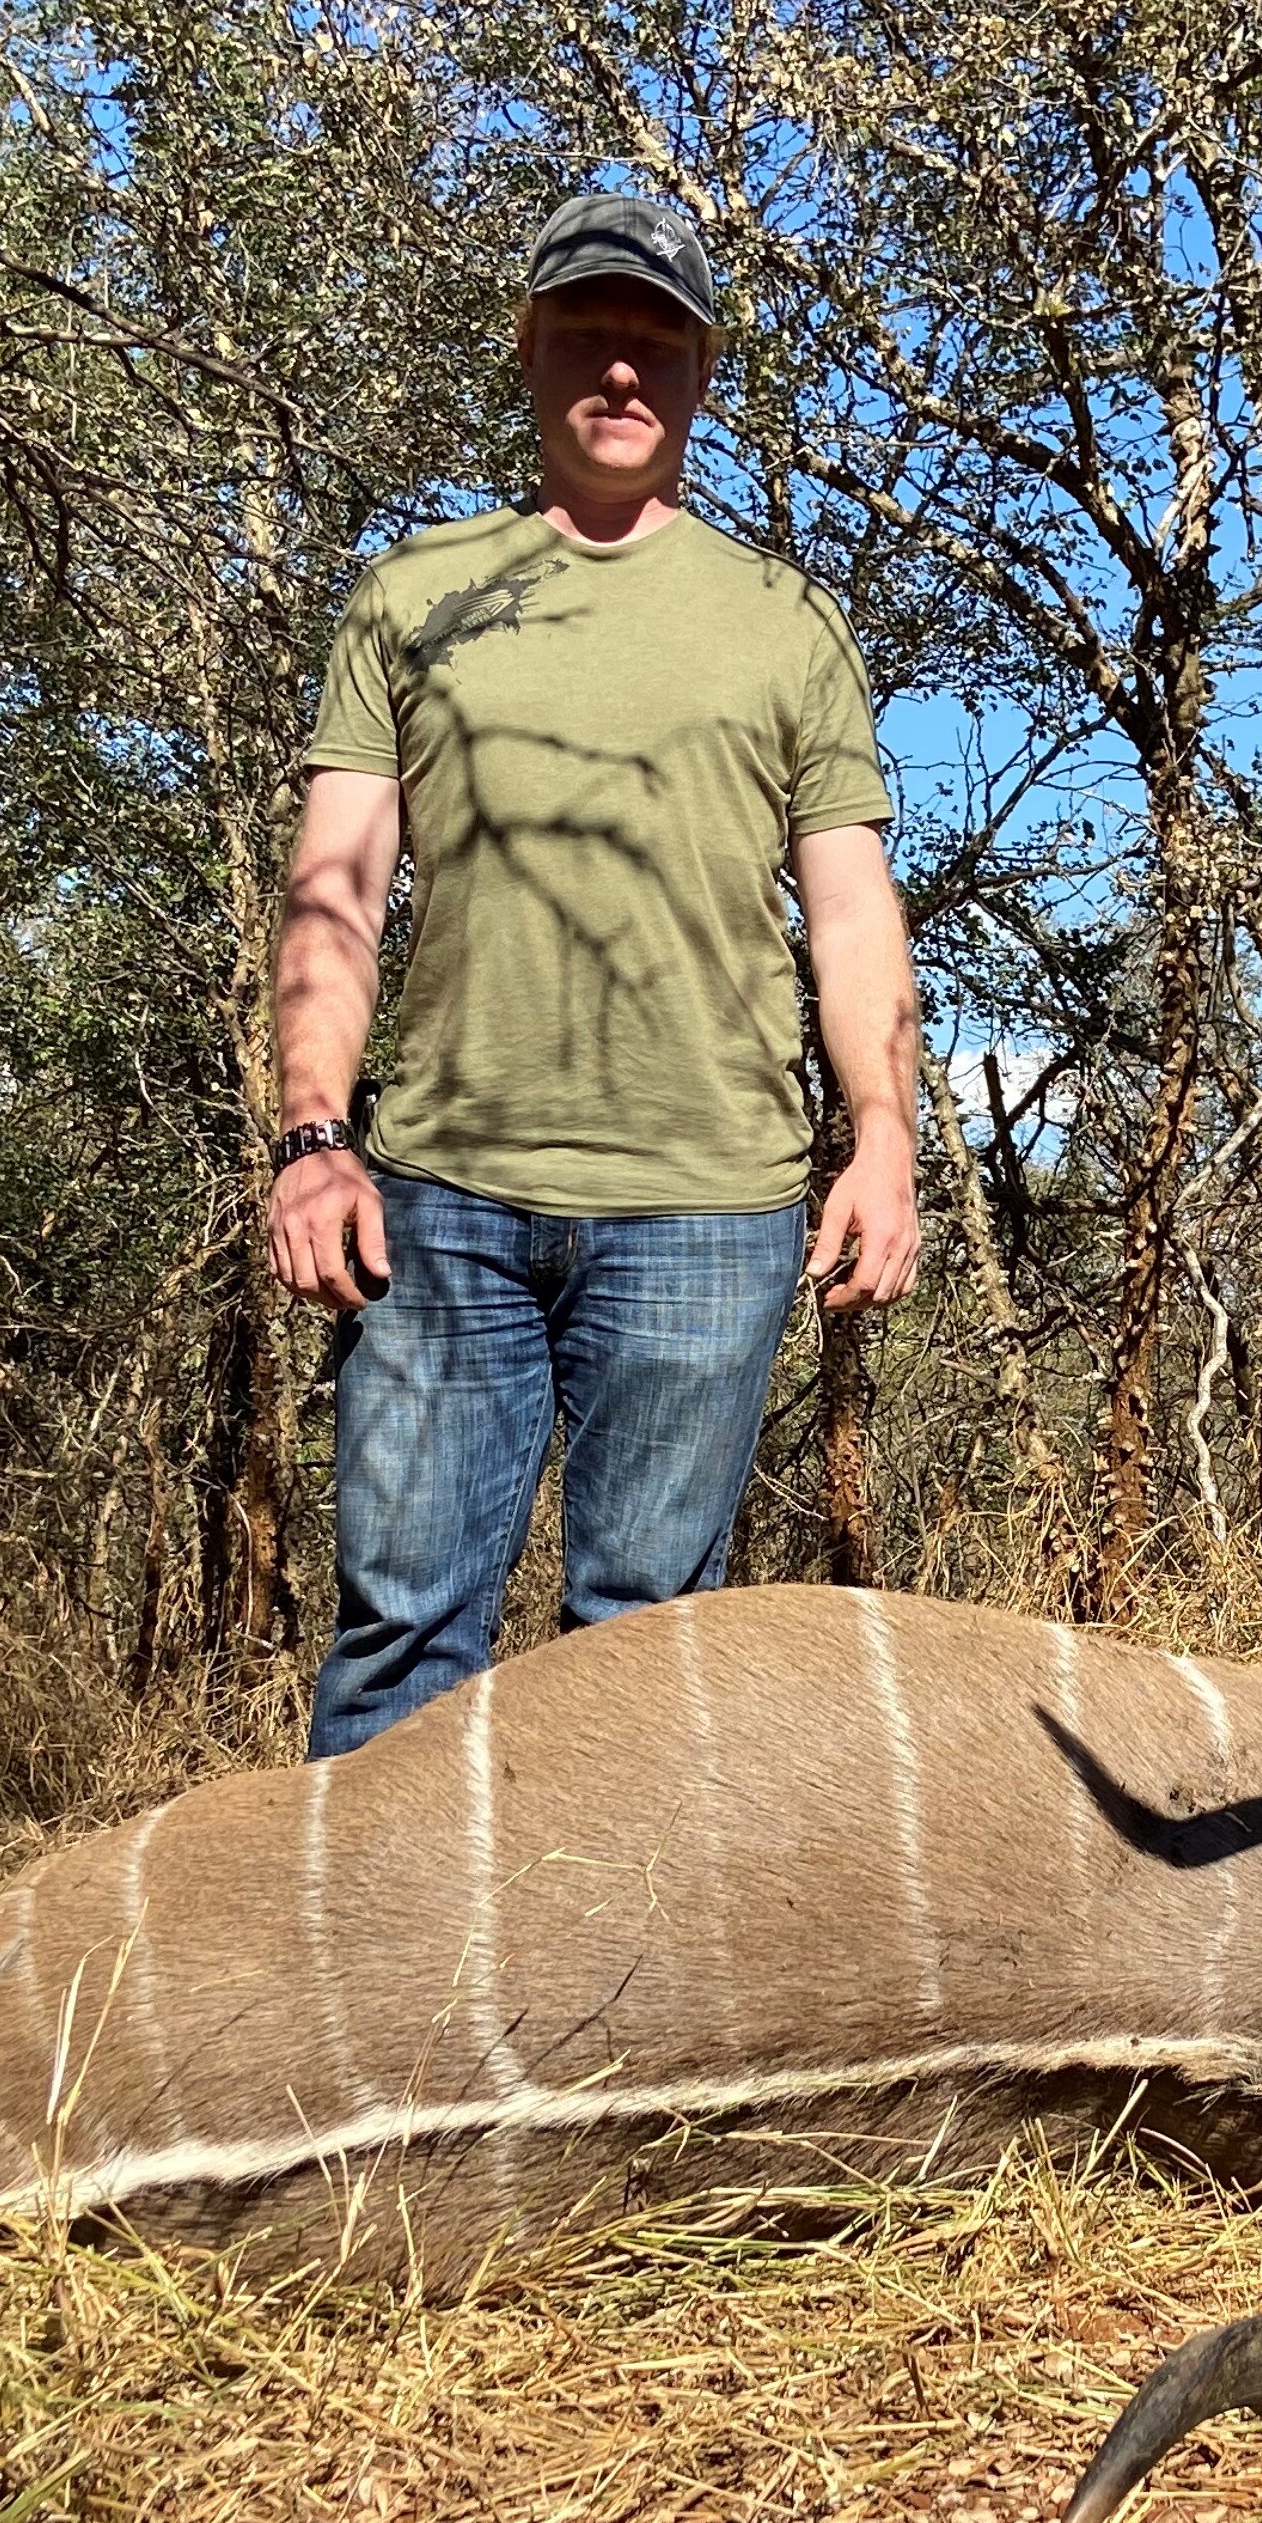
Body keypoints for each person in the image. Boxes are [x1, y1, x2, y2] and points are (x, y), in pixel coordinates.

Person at [265, 193, 921, 1757]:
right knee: (402, 1636)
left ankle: (606, 2008)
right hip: (435, 1198)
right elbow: (335, 888)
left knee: (647, 1658)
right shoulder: (415, 596)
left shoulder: (786, 622)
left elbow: (849, 914)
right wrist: (311, 1136)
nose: (622, 370)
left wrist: (883, 1137)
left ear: (701, 371)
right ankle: (374, 1998)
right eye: (590, 331)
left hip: (709, 1208)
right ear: (527, 348)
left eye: (657, 339)